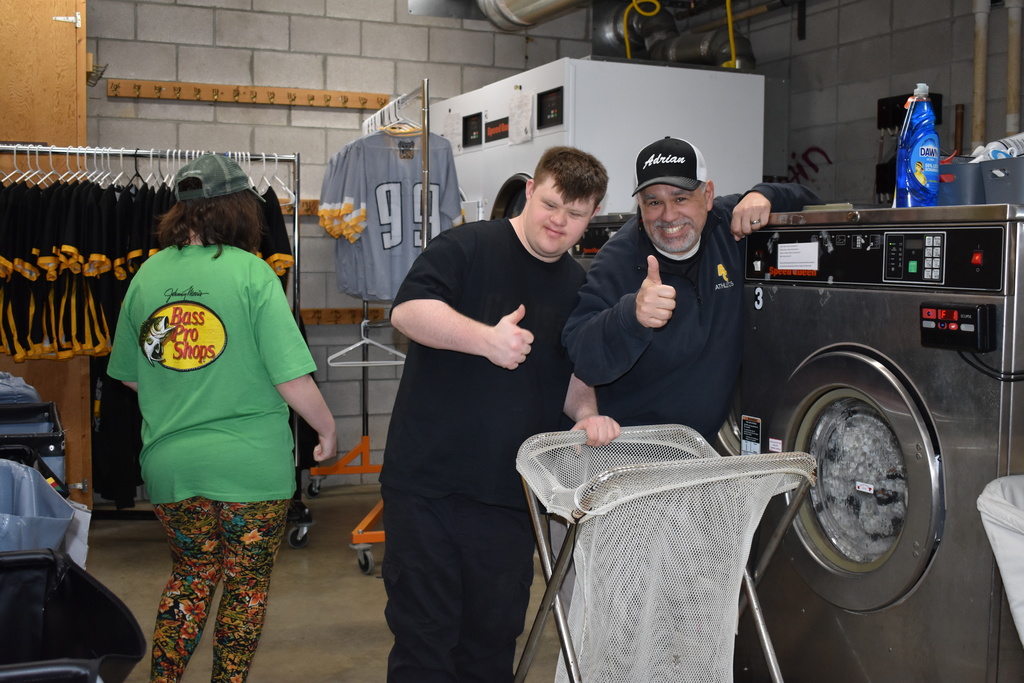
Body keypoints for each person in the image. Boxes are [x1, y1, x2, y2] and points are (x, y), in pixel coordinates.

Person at [379, 145, 621, 683]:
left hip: (510, 500)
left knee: (490, 647)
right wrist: (486, 339)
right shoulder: (466, 246)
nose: (560, 222)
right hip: (428, 490)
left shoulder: (579, 286)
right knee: (425, 642)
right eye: (552, 204)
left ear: (591, 217)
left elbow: (573, 378)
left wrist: (587, 414)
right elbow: (409, 311)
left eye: (577, 214)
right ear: (531, 191)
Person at [107, 154, 337, 683]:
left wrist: (179, 388)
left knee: (190, 578)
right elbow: (291, 379)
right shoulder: (253, 273)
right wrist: (326, 429)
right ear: (239, 209)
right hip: (250, 470)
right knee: (245, 587)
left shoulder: (147, 275)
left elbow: (129, 375)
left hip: (172, 467)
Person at [563, 136, 823, 440]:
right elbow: (579, 357)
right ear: (641, 205)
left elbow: (811, 202)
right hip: (624, 448)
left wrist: (764, 194)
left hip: (697, 449)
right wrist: (630, 316)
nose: (669, 215)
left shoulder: (728, 227)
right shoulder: (618, 259)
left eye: (681, 198)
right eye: (654, 202)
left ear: (708, 195)